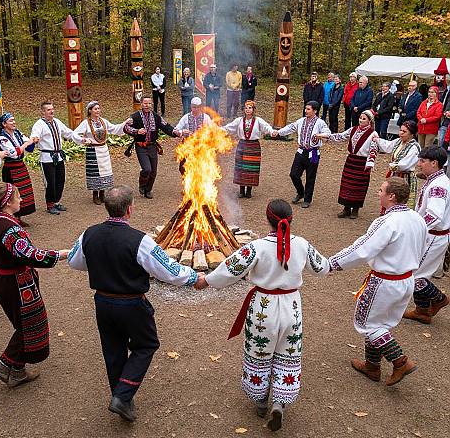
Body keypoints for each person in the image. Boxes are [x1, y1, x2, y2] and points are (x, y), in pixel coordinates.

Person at [67, 185, 199, 422]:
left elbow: (74, 261)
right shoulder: (140, 241)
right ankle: (122, 396)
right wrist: (193, 278)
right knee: (146, 345)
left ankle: (122, 397)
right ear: (129, 209)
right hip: (132, 305)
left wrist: (100, 265)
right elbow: (168, 271)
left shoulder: (88, 234)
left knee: (113, 349)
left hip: (103, 303)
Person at [196, 199, 330, 431]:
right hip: (292, 308)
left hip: (263, 308)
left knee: (260, 350)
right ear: (291, 219)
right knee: (286, 351)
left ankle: (260, 400)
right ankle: (279, 401)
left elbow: (231, 268)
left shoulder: (257, 247)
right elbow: (322, 267)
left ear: (267, 219)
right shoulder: (301, 245)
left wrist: (206, 280)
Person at [328, 178, 426, 386]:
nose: (378, 193)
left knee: (369, 325)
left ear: (392, 196)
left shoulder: (386, 222)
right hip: (406, 279)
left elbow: (362, 249)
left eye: (381, 190)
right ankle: (372, 366)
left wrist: (332, 264)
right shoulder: (417, 218)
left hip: (385, 282)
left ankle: (400, 361)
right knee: (381, 323)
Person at [0, 182, 70, 387]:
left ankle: (17, 371)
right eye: (18, 198)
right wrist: (62, 254)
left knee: (23, 323)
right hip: (18, 285)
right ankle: (4, 365)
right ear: (7, 203)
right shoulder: (9, 228)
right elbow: (31, 255)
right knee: (29, 325)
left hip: (4, 280)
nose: (21, 200)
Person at [403, 146, 450, 324]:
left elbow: (434, 215)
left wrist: (415, 227)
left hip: (433, 236)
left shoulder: (438, 186)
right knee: (415, 272)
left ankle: (439, 299)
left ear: (434, 163)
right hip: (431, 235)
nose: (419, 164)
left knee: (414, 277)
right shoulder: (436, 180)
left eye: (422, 161)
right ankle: (422, 311)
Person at [318, 110, 378, 219]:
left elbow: (373, 150)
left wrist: (370, 164)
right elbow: (340, 137)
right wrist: (326, 136)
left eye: (364, 119)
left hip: (362, 163)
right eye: (360, 118)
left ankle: (355, 209)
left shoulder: (373, 134)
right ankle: (346, 208)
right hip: (351, 161)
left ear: (370, 121)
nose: (361, 120)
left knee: (358, 186)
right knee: (347, 184)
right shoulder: (353, 129)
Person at [30, 101, 84, 214]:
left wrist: (81, 140)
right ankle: (50, 204)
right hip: (47, 157)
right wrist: (35, 138)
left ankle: (57, 202)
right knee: (50, 181)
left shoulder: (57, 122)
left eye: (52, 109)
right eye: (49, 109)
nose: (52, 111)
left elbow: (68, 133)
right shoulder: (39, 124)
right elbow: (35, 135)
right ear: (43, 112)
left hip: (59, 156)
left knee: (61, 179)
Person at [275, 101, 331, 208]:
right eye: (306, 108)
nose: (306, 111)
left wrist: (320, 135)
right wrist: (278, 132)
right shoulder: (301, 121)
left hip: (314, 152)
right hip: (301, 151)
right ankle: (301, 192)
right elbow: (290, 128)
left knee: (310, 176)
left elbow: (328, 133)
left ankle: (307, 199)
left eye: (309, 109)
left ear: (315, 111)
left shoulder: (320, 122)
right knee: (294, 174)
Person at [123, 96, 181, 199]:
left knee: (153, 171)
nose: (147, 105)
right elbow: (126, 127)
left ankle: (148, 190)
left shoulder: (156, 116)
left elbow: (166, 126)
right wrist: (136, 131)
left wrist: (176, 132)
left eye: (149, 103)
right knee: (147, 169)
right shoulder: (135, 116)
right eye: (145, 103)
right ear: (141, 104)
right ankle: (142, 184)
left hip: (152, 146)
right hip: (141, 146)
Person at [73, 101, 129, 205]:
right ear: (90, 110)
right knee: (95, 172)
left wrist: (124, 123)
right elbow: (75, 134)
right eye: (95, 109)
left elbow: (114, 129)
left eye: (99, 108)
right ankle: (95, 194)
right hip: (93, 150)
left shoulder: (103, 121)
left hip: (103, 149)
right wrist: (83, 139)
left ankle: (102, 194)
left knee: (105, 171)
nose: (98, 111)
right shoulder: (86, 123)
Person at [223, 101, 278, 198]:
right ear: (244, 110)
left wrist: (272, 132)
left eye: (250, 108)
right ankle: (241, 191)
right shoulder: (239, 120)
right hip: (242, 146)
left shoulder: (258, 120)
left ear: (253, 110)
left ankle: (249, 190)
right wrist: (216, 129)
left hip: (253, 147)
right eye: (246, 108)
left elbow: (266, 127)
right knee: (241, 168)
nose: (248, 110)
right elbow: (228, 128)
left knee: (251, 169)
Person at [0, 112, 37, 221]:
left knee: (23, 192)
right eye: (11, 120)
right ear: (4, 124)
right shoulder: (2, 139)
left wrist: (32, 141)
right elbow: (14, 153)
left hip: (21, 166)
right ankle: (13, 217)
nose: (14, 122)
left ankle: (19, 217)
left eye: (14, 120)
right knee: (13, 193)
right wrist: (26, 143)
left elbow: (30, 148)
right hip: (11, 168)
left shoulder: (18, 133)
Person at [375, 120, 421, 209]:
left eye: (404, 132)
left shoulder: (414, 147)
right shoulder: (398, 141)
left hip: (406, 178)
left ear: (412, 134)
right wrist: (377, 140)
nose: (401, 133)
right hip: (395, 175)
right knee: (391, 197)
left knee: (401, 198)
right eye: (400, 130)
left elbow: (406, 163)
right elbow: (388, 146)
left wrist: (394, 165)